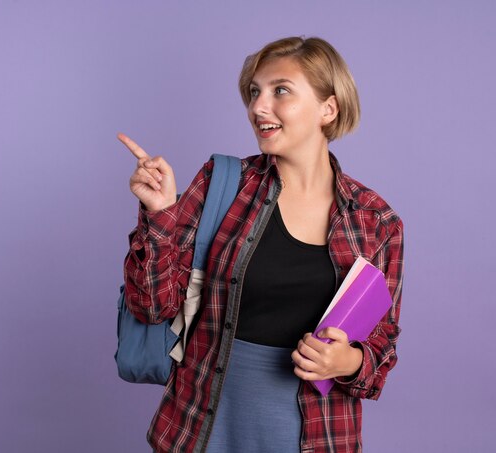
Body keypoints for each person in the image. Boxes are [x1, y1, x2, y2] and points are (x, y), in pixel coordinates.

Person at [119, 36, 404, 453]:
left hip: (315, 435)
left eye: (280, 91)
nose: (258, 107)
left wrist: (348, 362)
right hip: (205, 425)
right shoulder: (223, 184)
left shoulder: (376, 222)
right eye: (254, 92)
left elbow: (381, 347)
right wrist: (162, 214)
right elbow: (152, 306)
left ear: (329, 108)